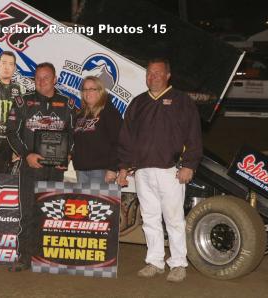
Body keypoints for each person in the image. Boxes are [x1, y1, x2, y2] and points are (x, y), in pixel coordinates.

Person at [117, 58, 202, 282]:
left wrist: (189, 165)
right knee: (150, 219)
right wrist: (124, 167)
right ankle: (154, 261)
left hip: (171, 171)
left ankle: (178, 264)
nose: (152, 77)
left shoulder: (182, 101)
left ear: (168, 75)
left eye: (157, 73)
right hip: (143, 171)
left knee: (174, 219)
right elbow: (126, 139)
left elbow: (193, 136)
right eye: (149, 73)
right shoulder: (138, 103)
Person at [6, 62, 75, 271]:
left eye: (46, 77)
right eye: (37, 78)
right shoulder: (23, 102)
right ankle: (24, 257)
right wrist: (26, 154)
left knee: (51, 213)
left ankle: (48, 257)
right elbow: (11, 132)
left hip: (55, 169)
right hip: (30, 168)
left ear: (55, 80)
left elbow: (73, 134)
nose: (41, 81)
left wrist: (67, 156)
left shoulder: (68, 104)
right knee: (27, 213)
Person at [72, 76, 122, 184]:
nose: (87, 92)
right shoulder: (80, 115)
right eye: (85, 89)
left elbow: (118, 141)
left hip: (101, 171)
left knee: (98, 201)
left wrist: (113, 168)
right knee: (85, 201)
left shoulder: (109, 112)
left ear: (100, 91)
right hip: (81, 170)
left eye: (92, 89)